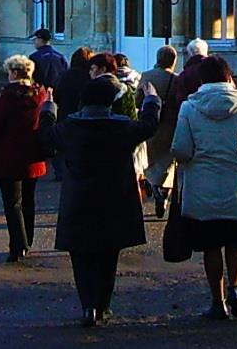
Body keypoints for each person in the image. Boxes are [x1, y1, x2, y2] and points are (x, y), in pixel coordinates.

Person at [171, 55, 237, 321]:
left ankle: (217, 302)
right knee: (236, 241)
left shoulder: (189, 108)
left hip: (202, 188)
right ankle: (235, 289)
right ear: (229, 76)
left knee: (211, 246)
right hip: (236, 188)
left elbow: (181, 150)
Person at [50, 74, 160, 326]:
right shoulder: (121, 126)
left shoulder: (70, 127)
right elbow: (148, 125)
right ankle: (103, 305)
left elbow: (46, 134)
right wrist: (152, 101)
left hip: (78, 198)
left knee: (81, 256)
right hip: (114, 197)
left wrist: (48, 108)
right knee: (108, 255)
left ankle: (88, 305)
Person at [0, 54, 52, 262]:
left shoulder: (7, 97)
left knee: (13, 203)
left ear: (13, 72)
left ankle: (18, 244)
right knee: (28, 200)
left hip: (8, 156)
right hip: (33, 156)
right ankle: (27, 240)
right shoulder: (40, 95)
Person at [139, 44, 179, 216]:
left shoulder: (146, 76)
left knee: (151, 159)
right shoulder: (177, 79)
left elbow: (137, 100)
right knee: (168, 162)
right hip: (170, 125)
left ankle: (153, 185)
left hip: (152, 122)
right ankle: (164, 193)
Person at [53, 45, 95, 120]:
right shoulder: (90, 77)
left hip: (65, 115)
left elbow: (56, 96)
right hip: (84, 117)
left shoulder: (64, 75)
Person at [29, 28, 67, 99]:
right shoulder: (60, 57)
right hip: (57, 94)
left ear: (40, 40)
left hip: (40, 94)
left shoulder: (34, 57)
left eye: (35, 39)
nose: (34, 42)